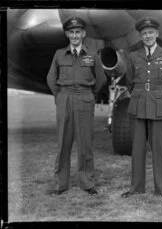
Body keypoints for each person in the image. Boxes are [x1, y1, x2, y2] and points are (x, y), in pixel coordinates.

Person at [121, 17, 162, 200]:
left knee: (159, 149)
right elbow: (129, 83)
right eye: (144, 33)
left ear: (157, 34)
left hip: (159, 106)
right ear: (140, 35)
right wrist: (141, 95)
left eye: (151, 32)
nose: (148, 36)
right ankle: (136, 188)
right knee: (137, 149)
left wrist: (161, 98)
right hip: (138, 105)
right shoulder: (133, 56)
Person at [47, 16, 107, 195]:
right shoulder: (59, 54)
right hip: (65, 98)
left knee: (85, 143)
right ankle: (61, 183)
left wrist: (89, 94)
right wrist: (60, 96)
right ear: (67, 34)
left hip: (84, 99)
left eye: (78, 32)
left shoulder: (92, 55)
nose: (74, 35)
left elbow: (101, 78)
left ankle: (87, 183)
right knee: (63, 143)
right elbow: (51, 79)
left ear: (83, 34)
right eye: (71, 32)